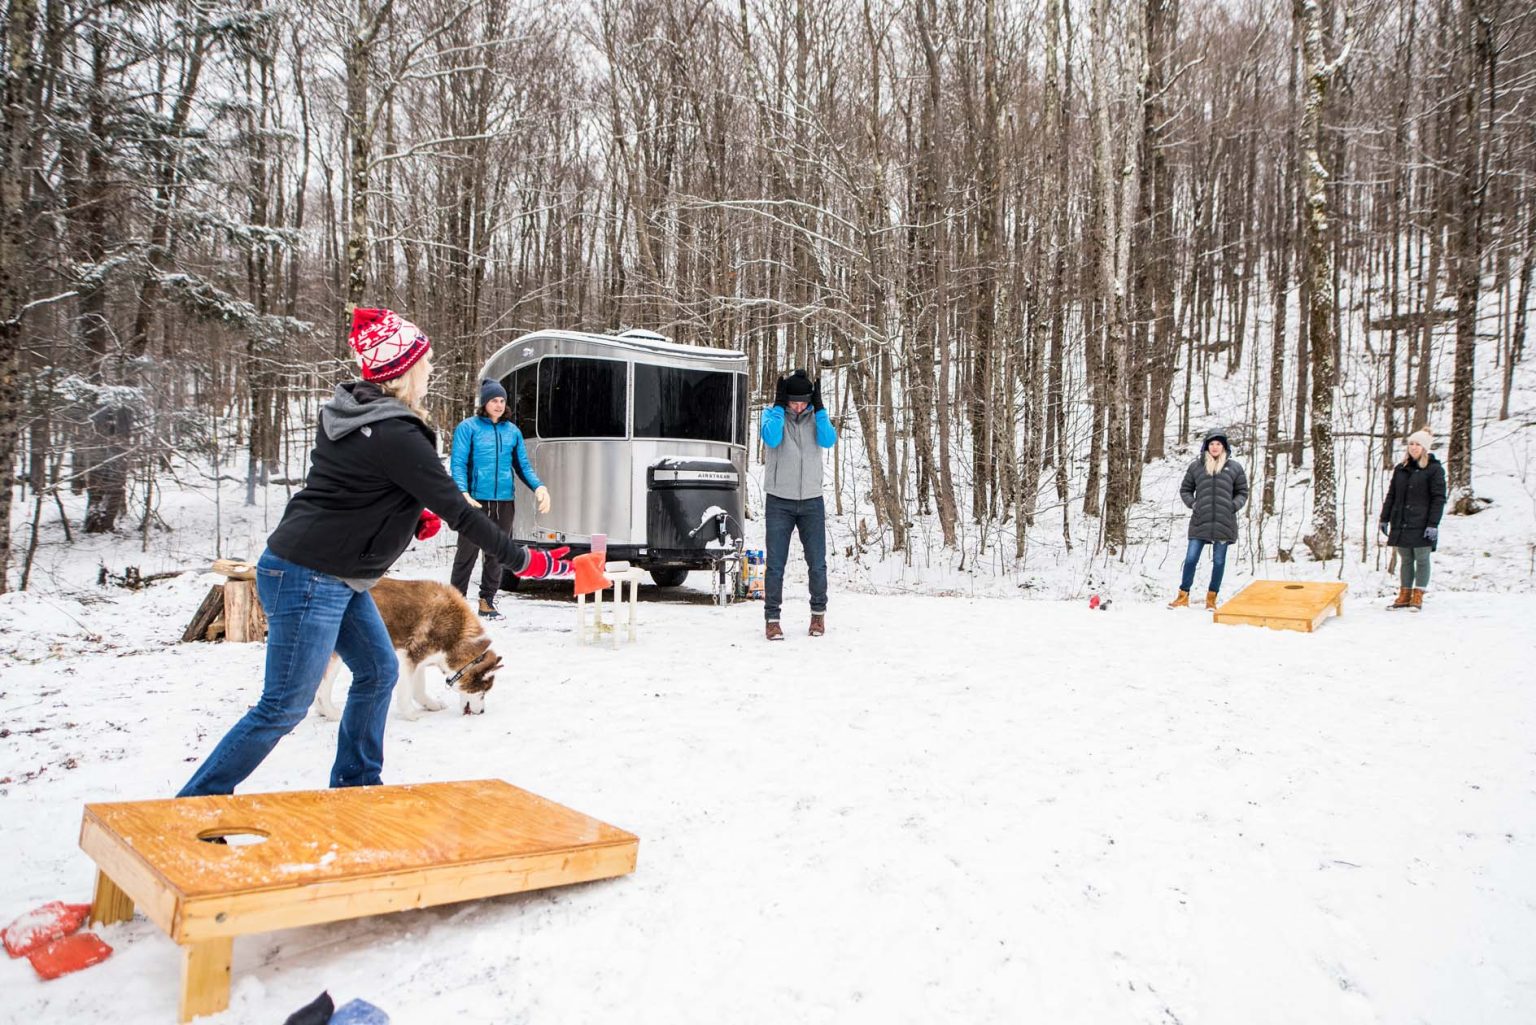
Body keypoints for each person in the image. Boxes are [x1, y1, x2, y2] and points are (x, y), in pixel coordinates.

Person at [177, 307, 570, 799]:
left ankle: (357, 787)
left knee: (379, 671)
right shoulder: (395, 432)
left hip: (335, 574)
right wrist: (529, 561)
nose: (430, 369)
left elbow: (353, 485)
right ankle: (194, 803)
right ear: (403, 371)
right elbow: (460, 511)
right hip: (309, 575)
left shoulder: (353, 415)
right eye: (424, 362)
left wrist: (407, 513)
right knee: (283, 705)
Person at [449, 378, 550, 620]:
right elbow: (458, 463)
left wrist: (539, 486)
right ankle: (454, 605)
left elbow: (522, 466)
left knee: (496, 554)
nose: (499, 405)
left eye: (502, 400)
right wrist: (462, 492)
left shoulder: (512, 432)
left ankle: (487, 601)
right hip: (475, 501)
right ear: (484, 403)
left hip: (504, 502)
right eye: (494, 400)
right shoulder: (468, 428)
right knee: (466, 553)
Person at [759, 368, 837, 640]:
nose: (799, 407)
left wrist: (821, 409)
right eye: (794, 402)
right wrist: (779, 407)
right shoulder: (772, 416)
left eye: (803, 402)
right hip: (779, 501)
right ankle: (772, 619)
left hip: (812, 501)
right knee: (775, 565)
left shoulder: (816, 418)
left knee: (817, 563)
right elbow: (771, 438)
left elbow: (829, 439)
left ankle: (818, 615)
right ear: (785, 399)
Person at [1170, 430, 1249, 610]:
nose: (1215, 447)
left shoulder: (1234, 468)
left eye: (1218, 444)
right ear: (1206, 446)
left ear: (1224, 447)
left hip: (1224, 522)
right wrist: (1193, 504)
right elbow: (1185, 490)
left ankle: (1211, 599)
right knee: (1191, 559)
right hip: (1200, 520)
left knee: (1219, 562)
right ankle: (1183, 596)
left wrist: (1233, 506)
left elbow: (1242, 492)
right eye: (1212, 444)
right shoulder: (1196, 467)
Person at [1379, 428, 1445, 612]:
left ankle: (1418, 594)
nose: (1414, 447)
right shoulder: (1401, 469)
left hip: (1422, 522)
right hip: (1401, 521)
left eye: (1418, 444)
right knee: (1406, 559)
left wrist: (1433, 524)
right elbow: (1391, 495)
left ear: (1425, 448)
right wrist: (1384, 518)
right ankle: (1404, 594)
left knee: (1422, 558)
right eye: (1411, 444)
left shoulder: (1434, 469)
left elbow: (1439, 498)